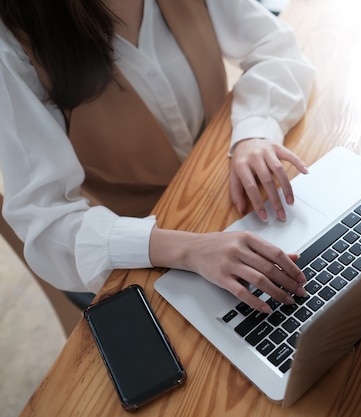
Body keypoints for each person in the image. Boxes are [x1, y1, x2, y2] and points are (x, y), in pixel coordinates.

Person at [0, 0, 316, 313]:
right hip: (141, 241)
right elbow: (46, 223)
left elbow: (271, 43)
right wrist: (188, 249)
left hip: (225, 183)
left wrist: (254, 130)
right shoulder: (12, 46)